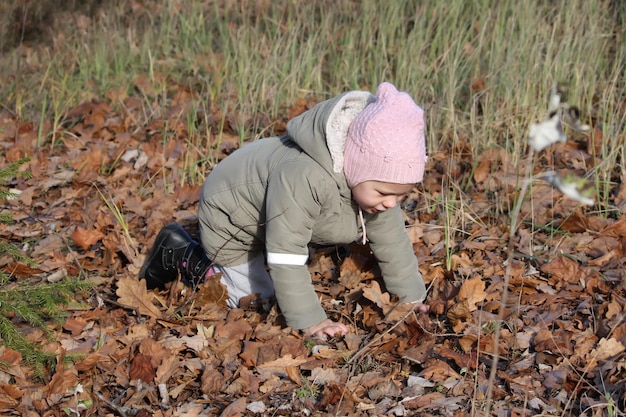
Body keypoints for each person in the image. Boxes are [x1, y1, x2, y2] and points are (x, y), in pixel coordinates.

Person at [139, 82, 429, 339]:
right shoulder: (305, 176)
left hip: (270, 213)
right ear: (356, 167)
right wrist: (310, 321)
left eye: (401, 195)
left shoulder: (376, 187)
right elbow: (286, 249)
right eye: (383, 193)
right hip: (230, 216)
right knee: (257, 297)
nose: (392, 203)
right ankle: (184, 255)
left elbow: (392, 241)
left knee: (289, 270)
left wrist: (411, 297)